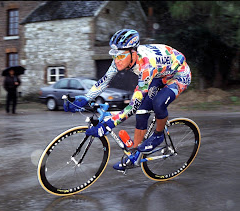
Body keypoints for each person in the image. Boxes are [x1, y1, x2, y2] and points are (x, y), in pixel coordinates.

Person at [64, 29, 191, 171]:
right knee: (142, 112)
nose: (117, 60)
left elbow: (132, 105)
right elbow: (105, 81)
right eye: (114, 55)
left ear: (133, 53)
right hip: (160, 75)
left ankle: (158, 135)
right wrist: (86, 98)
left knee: (158, 103)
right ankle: (135, 157)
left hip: (178, 75)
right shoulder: (121, 58)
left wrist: (109, 124)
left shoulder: (146, 66)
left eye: (121, 56)